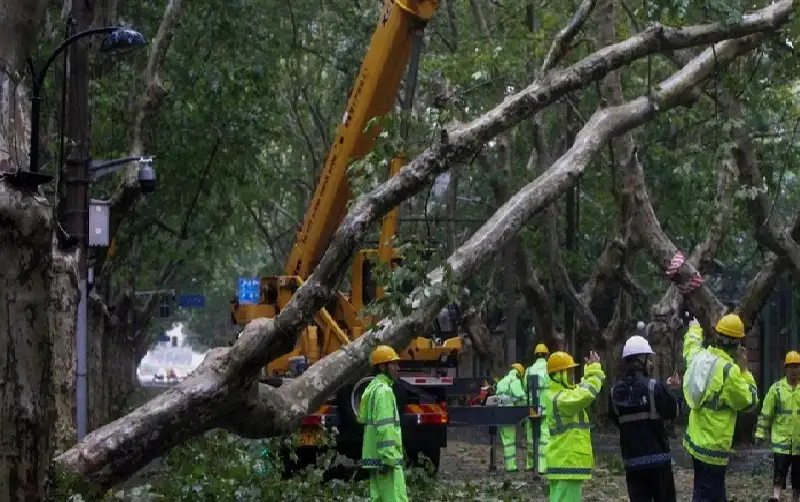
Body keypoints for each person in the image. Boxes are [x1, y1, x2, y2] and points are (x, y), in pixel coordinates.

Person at [682, 314, 759, 502]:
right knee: (708, 494)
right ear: (737, 344)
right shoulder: (729, 371)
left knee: (706, 490)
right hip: (714, 447)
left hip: (695, 441)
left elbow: (690, 345)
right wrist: (744, 370)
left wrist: (694, 326)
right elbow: (750, 400)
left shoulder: (699, 357)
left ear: (717, 337)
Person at [609, 335, 682, 502]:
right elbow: (674, 410)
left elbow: (616, 420)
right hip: (659, 463)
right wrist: (675, 390)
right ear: (641, 359)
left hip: (632, 464)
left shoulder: (614, 393)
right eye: (649, 359)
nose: (651, 364)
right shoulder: (654, 386)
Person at [546, 350, 605, 502]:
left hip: (563, 463)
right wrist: (595, 370)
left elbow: (580, 390)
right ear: (559, 375)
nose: (572, 376)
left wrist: (589, 371)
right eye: (570, 372)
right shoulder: (560, 399)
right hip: (566, 462)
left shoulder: (559, 394)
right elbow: (586, 394)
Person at [359, 345, 407, 502]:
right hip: (387, 462)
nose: (397, 368)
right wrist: (388, 459)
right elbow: (385, 428)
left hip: (375, 460)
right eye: (393, 364)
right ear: (382, 366)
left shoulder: (372, 389)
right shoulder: (384, 392)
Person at [755, 350, 800, 502]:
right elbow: (766, 412)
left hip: (799, 442)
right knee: (779, 470)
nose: (794, 370)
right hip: (782, 441)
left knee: (798, 474)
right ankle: (776, 497)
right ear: (785, 368)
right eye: (791, 366)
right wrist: (760, 433)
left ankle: (796, 498)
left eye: (797, 366)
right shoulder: (777, 389)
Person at [525, 343, 551, 474]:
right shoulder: (549, 368)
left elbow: (525, 387)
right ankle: (543, 466)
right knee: (545, 435)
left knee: (531, 434)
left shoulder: (529, 370)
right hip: (546, 405)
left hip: (532, 405)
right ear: (546, 355)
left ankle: (531, 464)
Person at [496, 362, 527, 472]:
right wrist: (524, 412)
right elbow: (520, 396)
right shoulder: (515, 381)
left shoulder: (503, 380)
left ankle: (508, 465)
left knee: (505, 439)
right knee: (510, 440)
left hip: (499, 412)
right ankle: (511, 466)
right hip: (508, 412)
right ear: (519, 373)